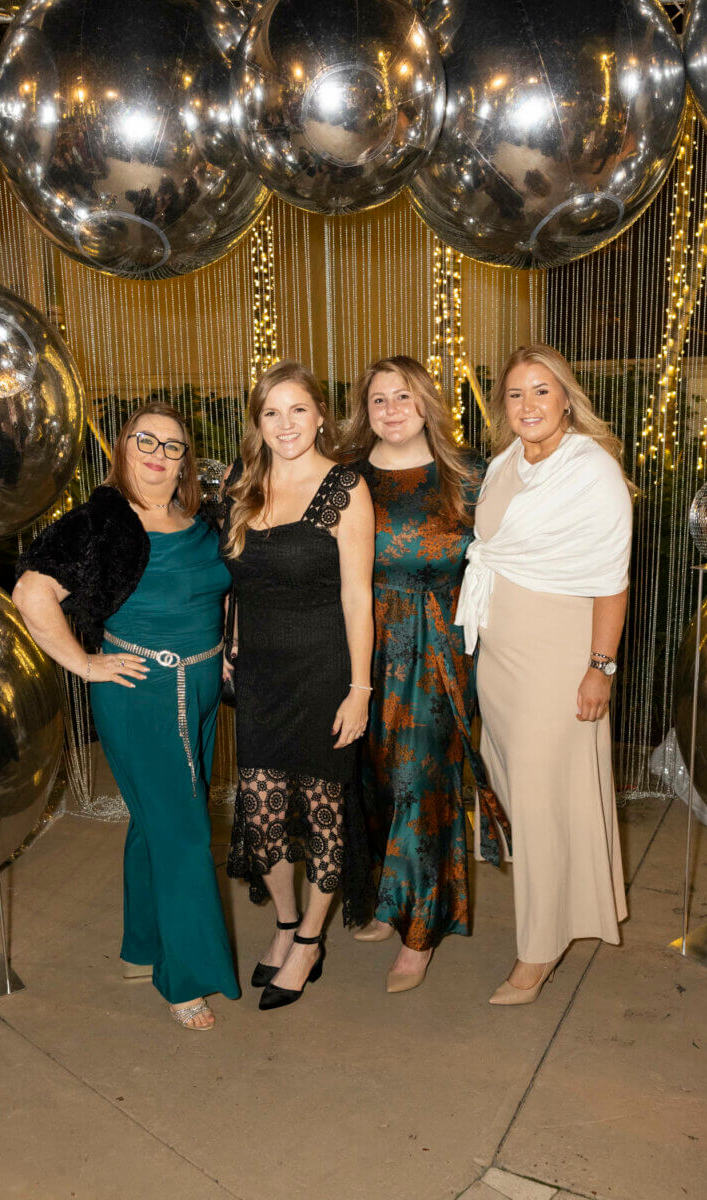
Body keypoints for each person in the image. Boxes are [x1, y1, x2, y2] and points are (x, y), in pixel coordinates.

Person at [13, 402, 239, 1031]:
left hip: (198, 684)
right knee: (185, 830)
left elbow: (215, 590)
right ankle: (184, 978)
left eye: (173, 445)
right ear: (123, 446)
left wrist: (221, 652)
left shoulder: (199, 520)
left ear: (185, 459)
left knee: (154, 822)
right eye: (147, 440)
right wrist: (85, 665)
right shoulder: (99, 520)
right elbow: (31, 591)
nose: (159, 454)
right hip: (141, 689)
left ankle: (142, 945)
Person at [456, 344, 633, 1005]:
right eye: (514, 394)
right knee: (524, 801)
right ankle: (559, 914)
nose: (527, 405)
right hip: (499, 663)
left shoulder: (591, 471)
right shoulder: (504, 465)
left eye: (540, 391)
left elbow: (610, 583)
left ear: (565, 397)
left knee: (535, 803)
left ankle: (536, 952)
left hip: (557, 658)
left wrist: (598, 669)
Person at [344, 355, 510, 994]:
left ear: (426, 405)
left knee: (422, 780)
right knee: (377, 777)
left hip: (439, 642)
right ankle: (391, 900)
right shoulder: (349, 477)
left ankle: (421, 929)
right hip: (364, 644)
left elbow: (503, 560)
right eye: (379, 399)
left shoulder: (467, 475)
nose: (390, 410)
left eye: (403, 397)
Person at [222, 359, 374, 1011]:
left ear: (319, 416)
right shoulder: (244, 485)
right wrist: (230, 642)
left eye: (297, 410)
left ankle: (310, 941)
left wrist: (360, 689)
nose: (285, 424)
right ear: (258, 423)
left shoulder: (344, 488)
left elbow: (357, 596)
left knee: (320, 812)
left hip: (322, 672)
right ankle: (285, 923)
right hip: (259, 676)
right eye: (271, 412)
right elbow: (236, 579)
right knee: (261, 818)